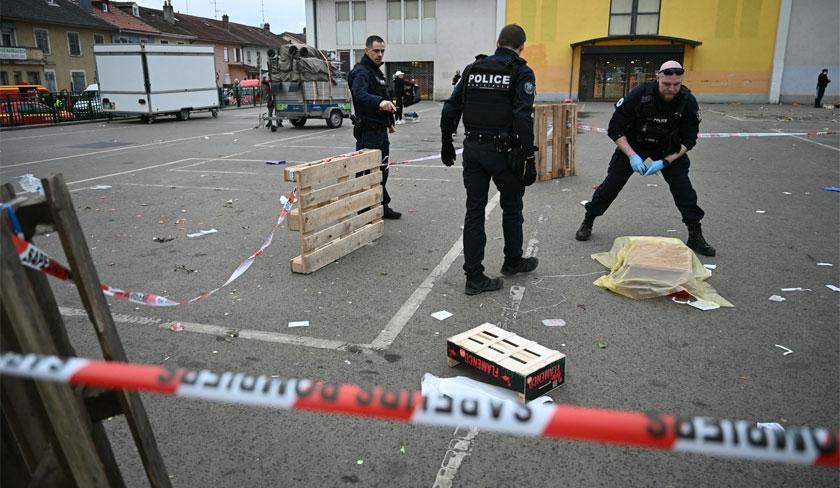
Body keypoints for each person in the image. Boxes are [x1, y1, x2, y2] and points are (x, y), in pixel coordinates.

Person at [575, 60, 715, 257]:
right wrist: (632, 156)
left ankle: (695, 234)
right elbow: (615, 128)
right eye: (667, 84)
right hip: (634, 145)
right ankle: (588, 220)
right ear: (658, 77)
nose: (671, 89)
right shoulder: (641, 94)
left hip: (668, 149)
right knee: (611, 185)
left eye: (676, 85)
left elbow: (689, 139)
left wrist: (666, 161)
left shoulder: (687, 101)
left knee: (684, 190)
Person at [440, 24, 539, 295]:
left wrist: (446, 141)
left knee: (474, 211)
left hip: (473, 149)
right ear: (521, 47)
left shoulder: (473, 69)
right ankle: (512, 260)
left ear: (498, 42)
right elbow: (522, 116)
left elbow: (450, 108)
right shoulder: (521, 71)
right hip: (505, 153)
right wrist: (530, 156)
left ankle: (474, 276)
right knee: (512, 206)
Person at [349, 35, 402, 220]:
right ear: (367, 51)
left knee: (382, 171)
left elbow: (384, 93)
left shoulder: (376, 73)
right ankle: (364, 213)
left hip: (380, 130)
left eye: (382, 51)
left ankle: (381, 205)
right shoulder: (361, 72)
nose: (380, 54)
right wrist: (380, 102)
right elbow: (359, 94)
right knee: (366, 174)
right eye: (376, 51)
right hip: (368, 133)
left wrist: (390, 119)